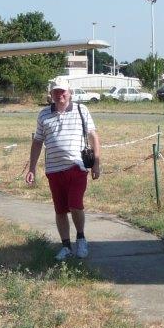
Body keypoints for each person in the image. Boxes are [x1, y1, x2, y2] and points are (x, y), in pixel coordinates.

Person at [26, 86, 101, 260]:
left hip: (77, 166)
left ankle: (81, 238)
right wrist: (32, 168)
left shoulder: (82, 109)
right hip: (53, 169)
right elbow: (37, 141)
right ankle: (66, 246)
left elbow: (93, 136)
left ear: (70, 93)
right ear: (51, 94)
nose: (60, 95)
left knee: (75, 204)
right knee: (60, 210)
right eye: (56, 92)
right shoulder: (43, 114)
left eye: (63, 92)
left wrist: (96, 163)